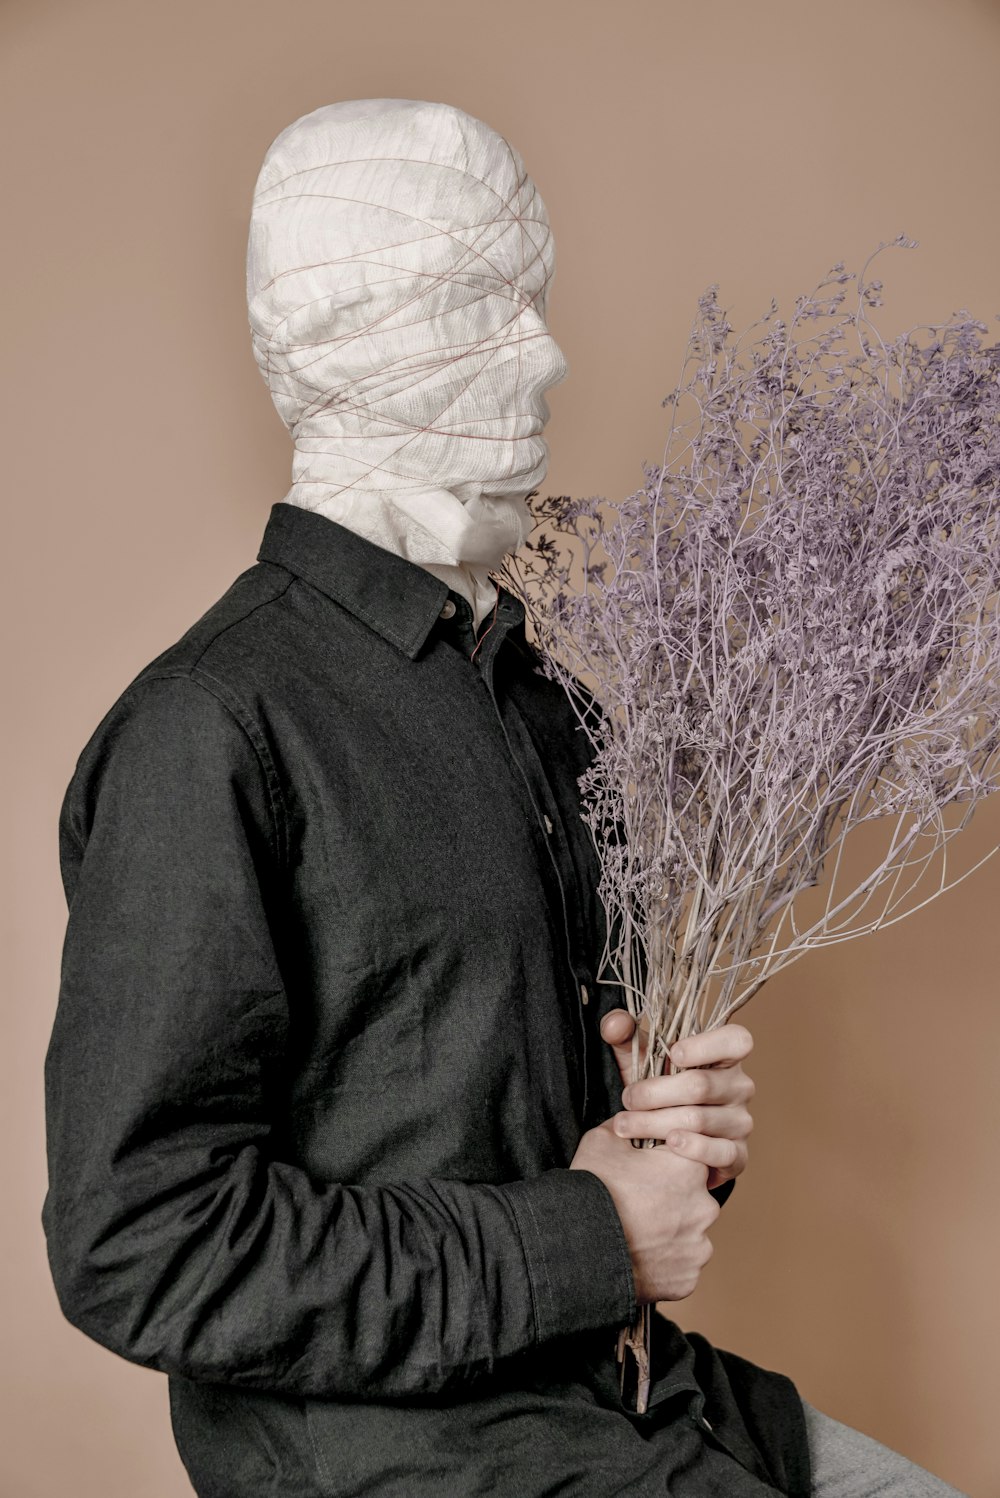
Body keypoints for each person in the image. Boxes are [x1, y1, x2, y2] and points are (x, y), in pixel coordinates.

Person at [41, 98, 969, 1498]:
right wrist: (593, 1235)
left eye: (533, 303)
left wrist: (671, 1139)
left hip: (662, 1404)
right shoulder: (209, 733)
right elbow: (141, 1244)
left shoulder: (548, 704)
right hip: (425, 1463)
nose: (549, 361)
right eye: (488, 312)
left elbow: (554, 1145)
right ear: (351, 346)